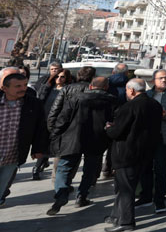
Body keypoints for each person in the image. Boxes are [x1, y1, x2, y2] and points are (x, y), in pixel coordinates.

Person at [46, 76, 116, 215]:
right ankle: (81, 196)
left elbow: (64, 117)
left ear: (90, 86)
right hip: (97, 139)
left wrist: (55, 133)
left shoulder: (77, 98)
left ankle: (61, 194)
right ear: (106, 87)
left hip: (73, 136)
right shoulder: (113, 101)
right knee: (90, 169)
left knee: (64, 167)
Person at [105, 79, 163, 231]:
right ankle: (116, 215)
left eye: (126, 89)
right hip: (145, 151)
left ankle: (126, 221)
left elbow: (118, 131)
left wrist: (109, 128)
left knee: (125, 188)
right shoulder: (155, 105)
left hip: (127, 152)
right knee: (125, 185)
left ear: (131, 90)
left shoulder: (130, 106)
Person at [137, 69, 166, 214]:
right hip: (146, 138)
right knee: (145, 168)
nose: (164, 81)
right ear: (153, 80)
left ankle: (160, 200)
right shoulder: (147, 95)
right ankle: (145, 197)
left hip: (163, 138)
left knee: (161, 169)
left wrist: (165, 114)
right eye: (161, 78)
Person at [0, 70, 48, 205]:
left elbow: (40, 128)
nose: (23, 89)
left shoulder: (33, 104)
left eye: (24, 85)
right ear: (4, 88)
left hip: (12, 156)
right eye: (18, 86)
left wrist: (37, 148)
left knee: (1, 189)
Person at [30, 61, 62, 180]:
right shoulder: (44, 80)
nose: (54, 71)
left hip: (57, 119)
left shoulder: (67, 83)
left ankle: (39, 165)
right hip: (43, 116)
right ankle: (38, 166)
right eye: (52, 69)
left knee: (48, 144)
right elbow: (38, 95)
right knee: (43, 143)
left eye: (57, 69)